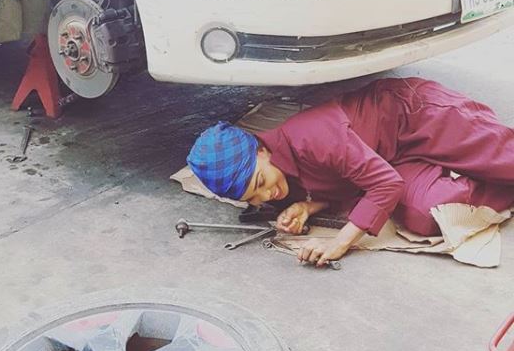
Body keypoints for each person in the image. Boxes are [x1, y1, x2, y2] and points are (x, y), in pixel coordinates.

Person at [187, 78, 514, 266]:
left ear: (261, 148)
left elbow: (384, 185)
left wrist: (340, 243)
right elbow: (349, 184)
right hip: (393, 159)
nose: (267, 195)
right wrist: (308, 206)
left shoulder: (310, 136)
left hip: (417, 115)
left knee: (506, 162)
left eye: (260, 182)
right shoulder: (277, 178)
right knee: (426, 216)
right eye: (253, 197)